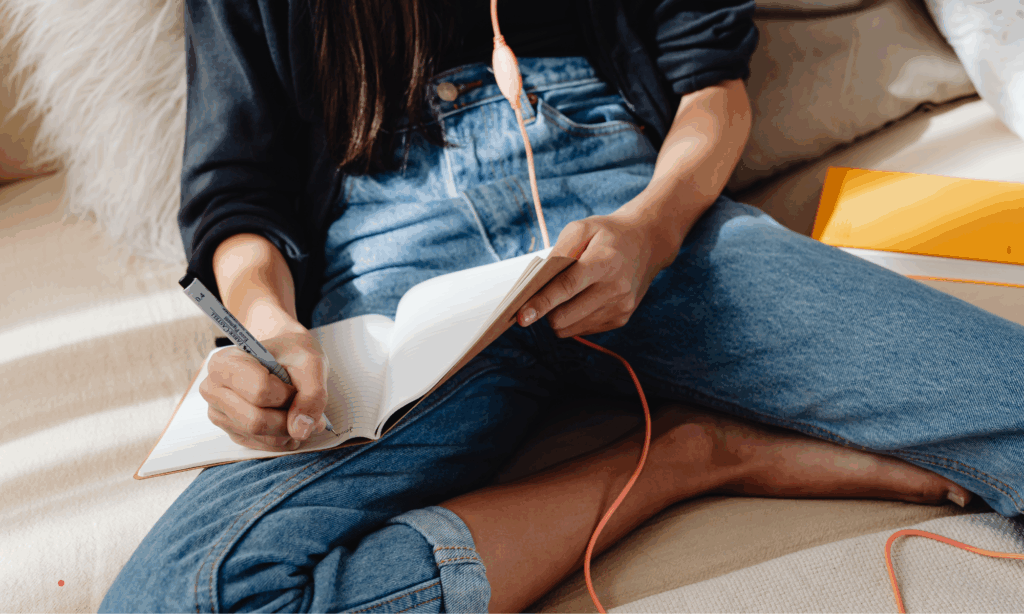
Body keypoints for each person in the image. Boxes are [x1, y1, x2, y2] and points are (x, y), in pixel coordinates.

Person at [100, 0, 1024, 612]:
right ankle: (685, 459)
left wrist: (652, 231)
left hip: (628, 209)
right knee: (179, 597)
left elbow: (716, 89)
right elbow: (237, 190)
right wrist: (270, 329)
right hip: (392, 261)